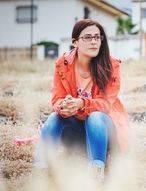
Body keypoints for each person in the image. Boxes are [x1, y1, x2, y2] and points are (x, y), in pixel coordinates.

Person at [34, 19, 129, 181]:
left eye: (97, 37)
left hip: (104, 134)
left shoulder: (112, 65)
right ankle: (41, 168)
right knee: (54, 116)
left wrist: (82, 104)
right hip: (77, 134)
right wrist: (63, 106)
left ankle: (97, 170)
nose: (94, 41)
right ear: (75, 42)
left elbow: (106, 104)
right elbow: (57, 99)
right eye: (87, 37)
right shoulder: (63, 63)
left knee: (95, 116)